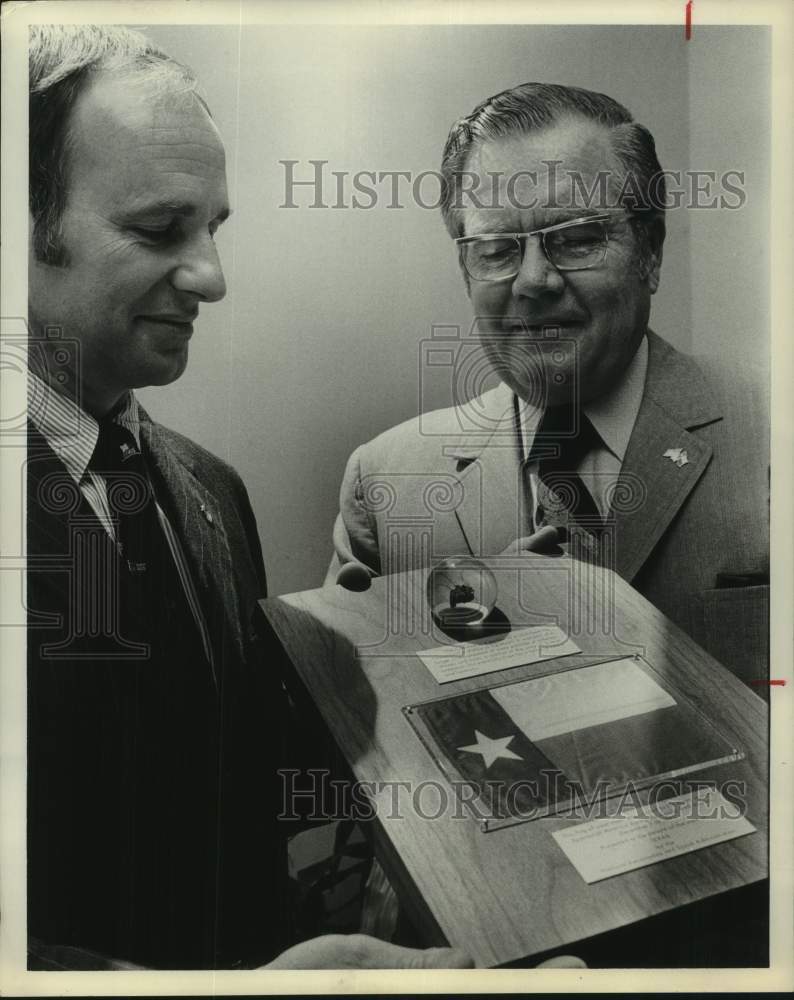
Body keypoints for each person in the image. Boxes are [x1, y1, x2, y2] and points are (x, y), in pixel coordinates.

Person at [25, 25, 475, 972]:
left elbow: (234, 793)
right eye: (158, 230)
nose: (213, 279)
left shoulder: (214, 495)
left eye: (214, 228)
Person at [330, 82, 769, 686]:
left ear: (651, 251)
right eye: (496, 250)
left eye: (578, 238)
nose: (534, 281)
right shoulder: (386, 483)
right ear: (466, 269)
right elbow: (351, 744)